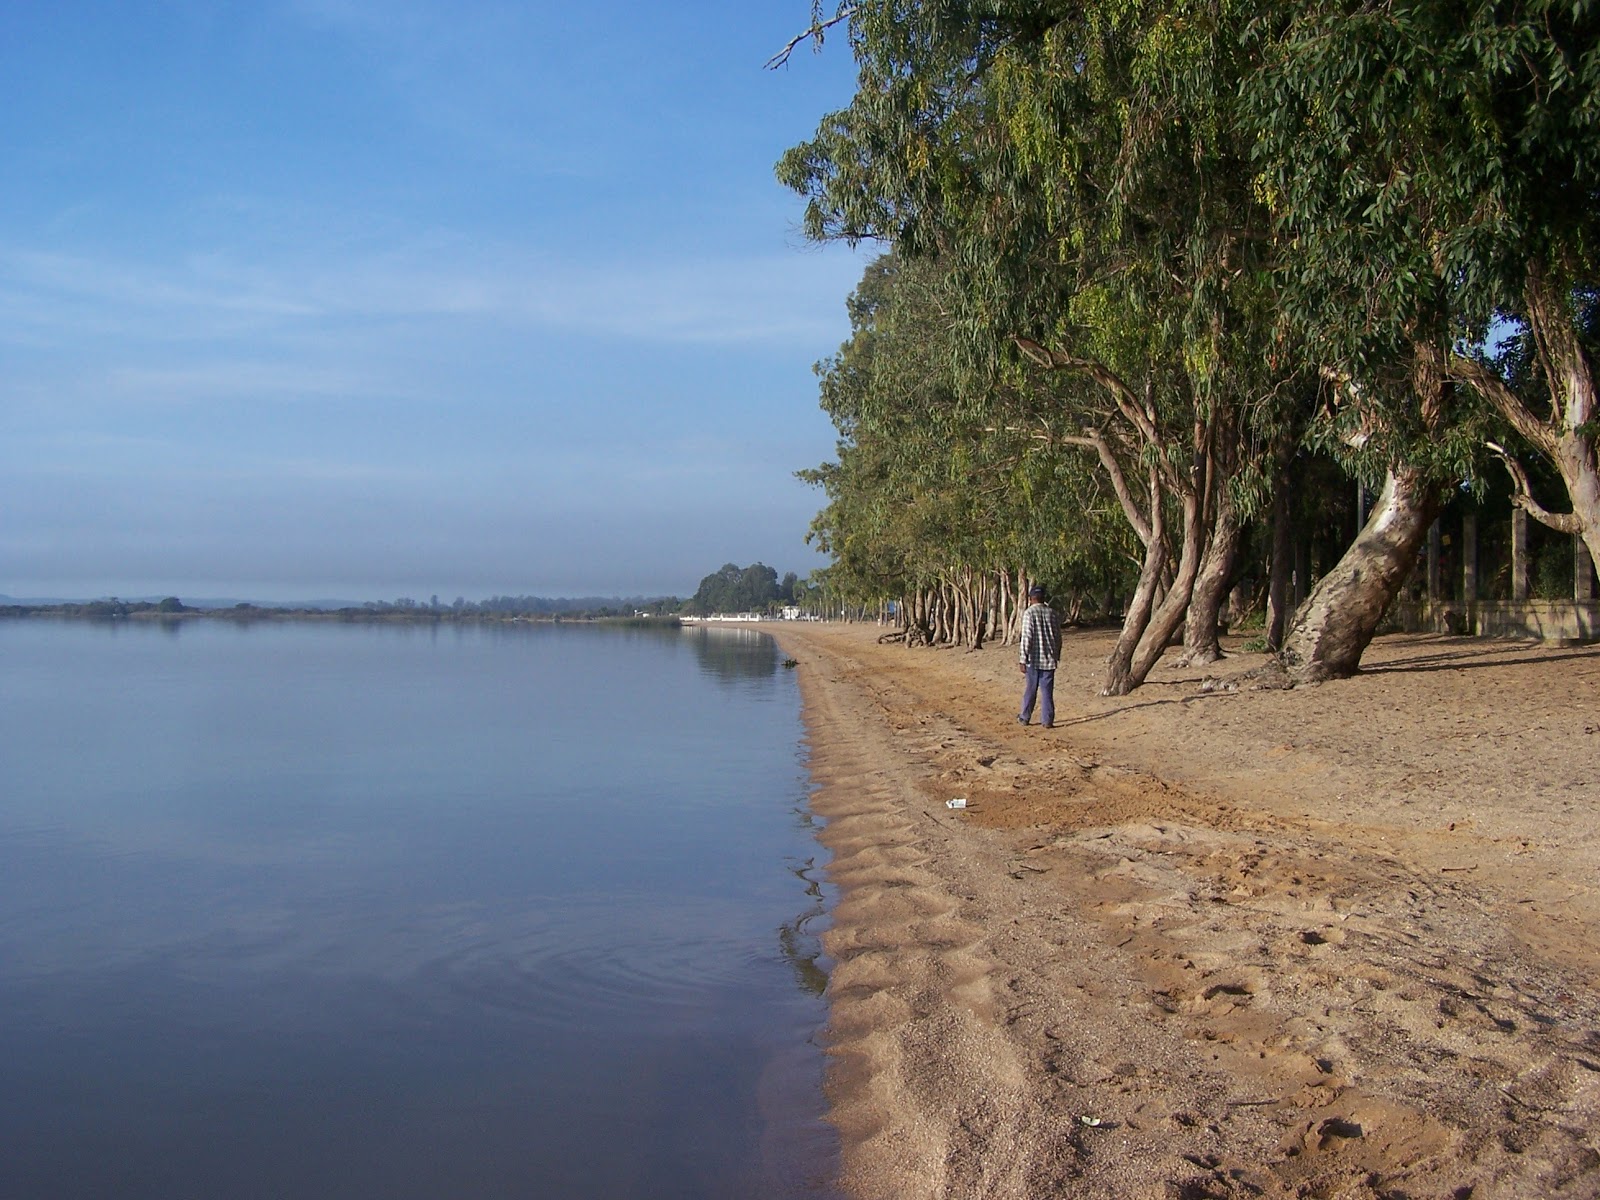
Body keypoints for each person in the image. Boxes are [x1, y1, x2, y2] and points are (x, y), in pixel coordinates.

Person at [1017, 584, 1062, 728]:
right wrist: (1057, 655)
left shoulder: (1029, 613)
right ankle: (1047, 720)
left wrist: (1022, 659)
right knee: (1047, 692)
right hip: (1049, 660)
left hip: (1033, 660)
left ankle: (1025, 717)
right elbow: (1058, 637)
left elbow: (1027, 637)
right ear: (1043, 598)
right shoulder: (1052, 613)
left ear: (1031, 599)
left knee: (1031, 689)